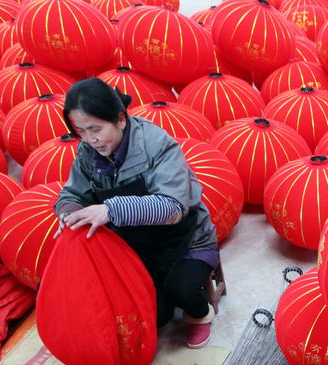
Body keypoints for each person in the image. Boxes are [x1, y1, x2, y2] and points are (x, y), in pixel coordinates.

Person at [54, 78, 221, 348]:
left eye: (96, 129)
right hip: (137, 244)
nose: (90, 139)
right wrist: (69, 213)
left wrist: (110, 209)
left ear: (120, 118)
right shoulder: (87, 152)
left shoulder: (157, 145)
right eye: (81, 131)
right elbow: (73, 194)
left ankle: (201, 314)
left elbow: (172, 208)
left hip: (186, 237)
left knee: (183, 290)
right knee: (157, 315)